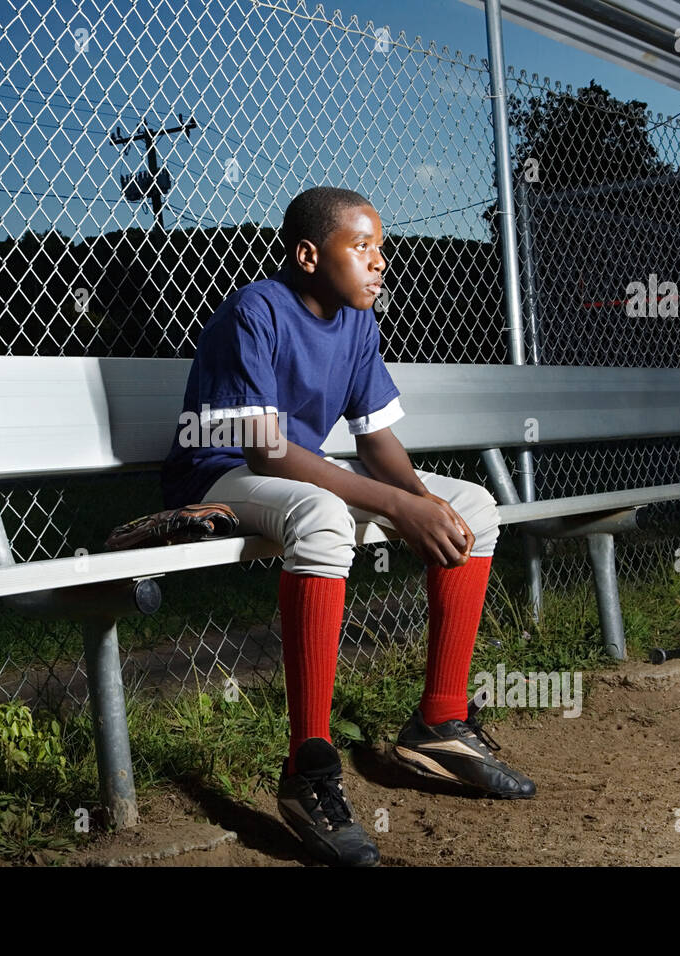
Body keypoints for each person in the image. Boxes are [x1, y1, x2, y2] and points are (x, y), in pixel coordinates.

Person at [160, 186, 535, 867]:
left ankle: (439, 725)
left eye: (381, 249)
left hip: (296, 471)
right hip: (218, 476)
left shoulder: (358, 319)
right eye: (361, 247)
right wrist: (397, 507)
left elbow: (375, 442)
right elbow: (265, 451)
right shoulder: (255, 310)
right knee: (324, 515)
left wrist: (424, 501)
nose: (378, 262)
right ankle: (309, 769)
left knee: (474, 506)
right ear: (308, 255)